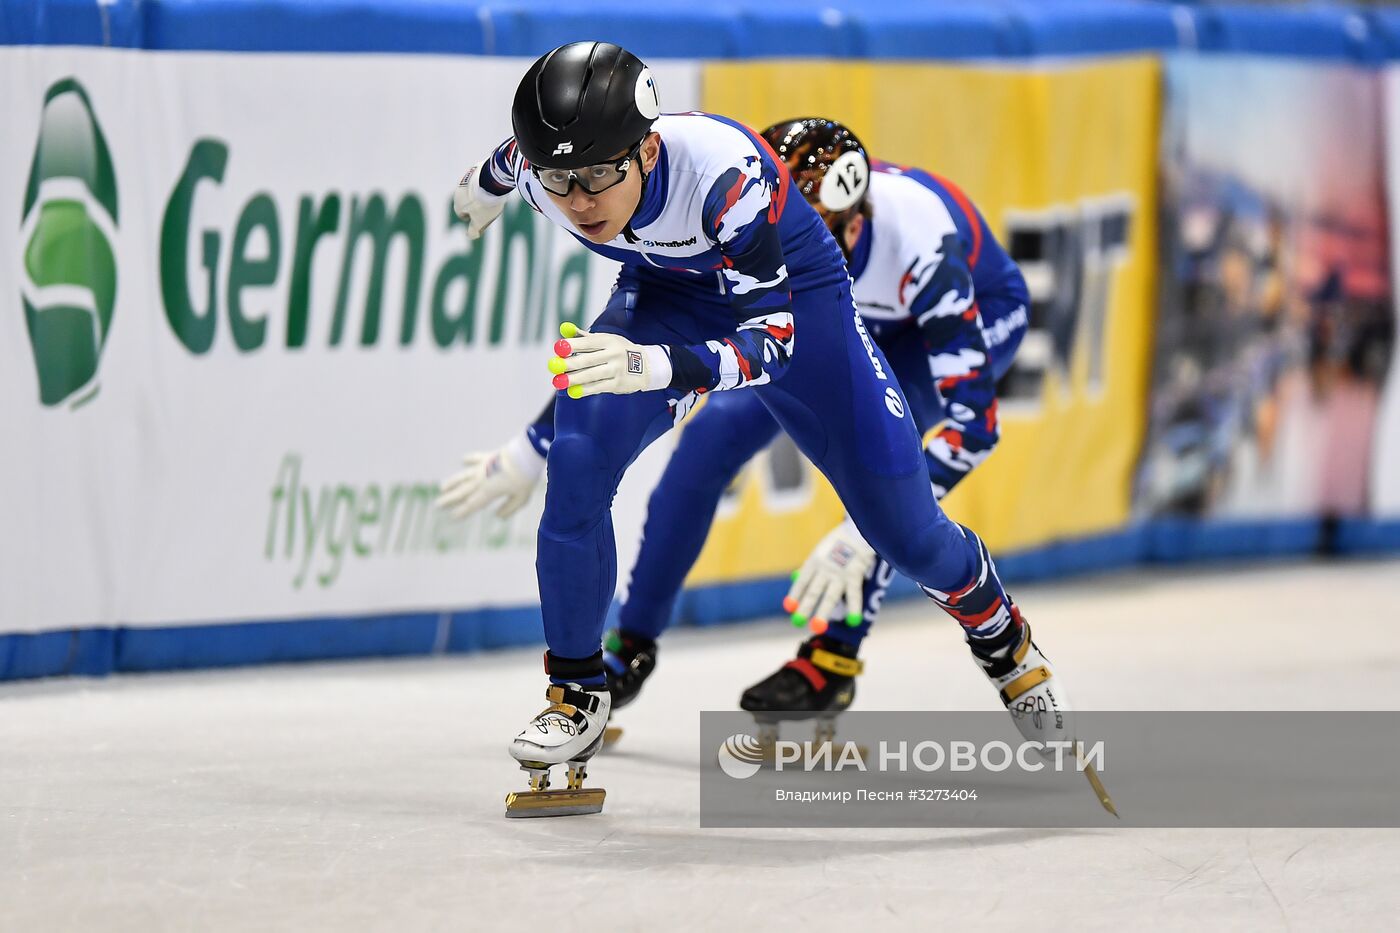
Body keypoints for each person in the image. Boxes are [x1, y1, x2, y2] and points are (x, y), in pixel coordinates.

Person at [448, 41, 1070, 817]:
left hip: (798, 313)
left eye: (600, 175)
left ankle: (1001, 633)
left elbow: (773, 342)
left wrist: (663, 368)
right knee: (578, 462)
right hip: (670, 292)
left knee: (903, 532)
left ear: (647, 147)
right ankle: (578, 691)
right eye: (559, 181)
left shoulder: (726, 178)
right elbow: (512, 160)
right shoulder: (552, 170)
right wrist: (482, 188)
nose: (579, 202)